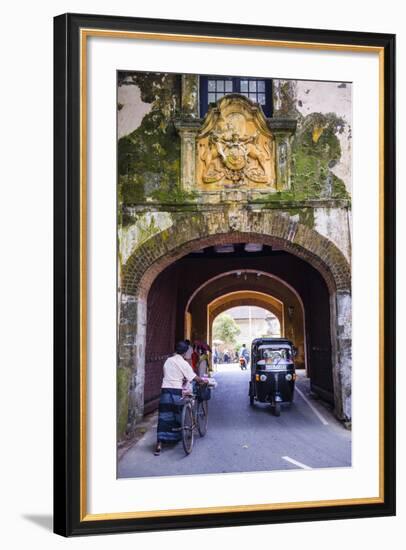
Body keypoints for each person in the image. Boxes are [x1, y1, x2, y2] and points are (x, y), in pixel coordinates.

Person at [154, 341, 208, 456]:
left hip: (165, 390)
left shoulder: (168, 360)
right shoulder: (183, 363)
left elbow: (168, 374)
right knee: (177, 414)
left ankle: (159, 443)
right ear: (184, 352)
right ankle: (176, 437)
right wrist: (203, 381)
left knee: (163, 416)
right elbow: (193, 377)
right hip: (175, 391)